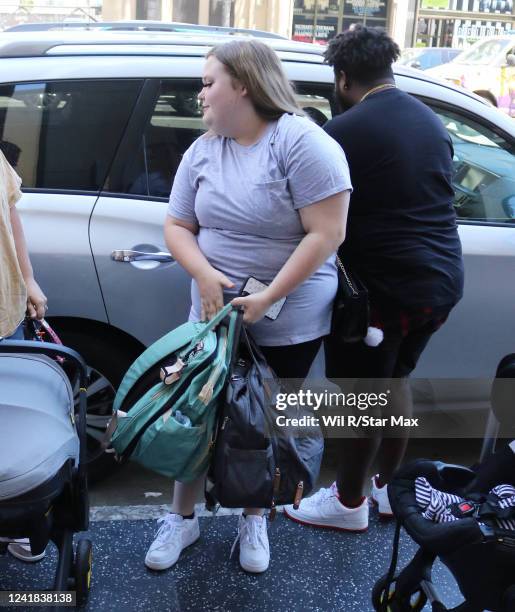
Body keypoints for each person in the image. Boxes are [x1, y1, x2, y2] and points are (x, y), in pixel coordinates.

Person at [145, 39, 352, 574]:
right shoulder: (205, 148)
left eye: (209, 81)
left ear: (242, 83)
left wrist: (267, 297)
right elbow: (178, 224)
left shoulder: (303, 144)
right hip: (212, 316)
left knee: (261, 421)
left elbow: (326, 234)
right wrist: (204, 273)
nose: (201, 93)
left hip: (287, 319)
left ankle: (254, 516)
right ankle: (182, 517)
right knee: (195, 412)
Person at [284, 26, 464, 532]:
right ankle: (389, 490)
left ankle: (346, 503)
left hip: (382, 290)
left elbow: (306, 213)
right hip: (441, 281)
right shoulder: (430, 120)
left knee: (361, 394)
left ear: (342, 78)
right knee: (394, 381)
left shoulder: (343, 133)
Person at [0, 147, 48, 561]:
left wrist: (29, 278)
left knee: (11, 428)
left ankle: (15, 522)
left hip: (6, 314)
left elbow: (10, 216)